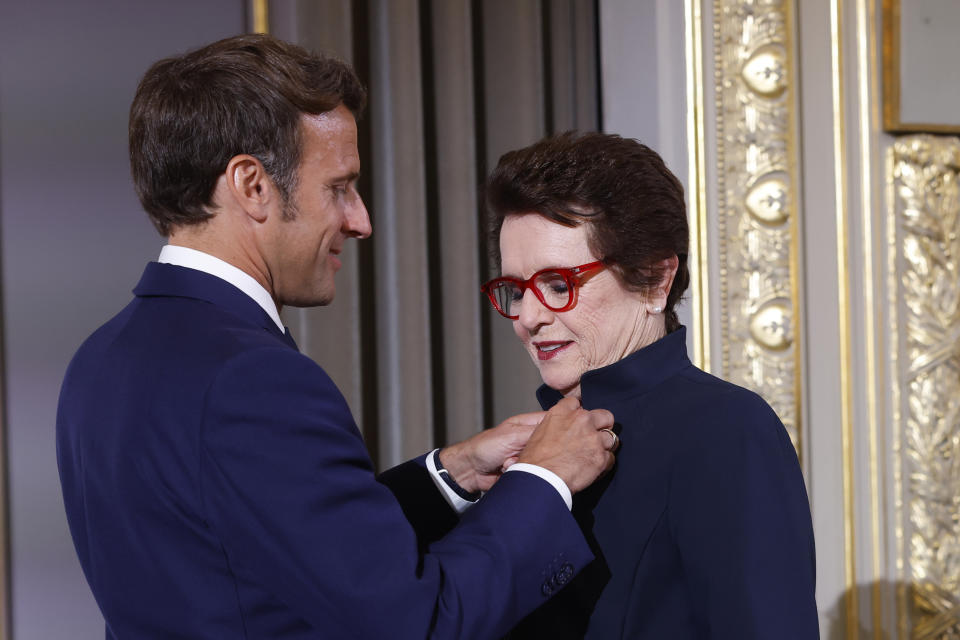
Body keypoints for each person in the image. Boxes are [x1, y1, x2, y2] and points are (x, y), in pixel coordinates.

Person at [55, 34, 619, 640]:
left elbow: (266, 545)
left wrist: (447, 475)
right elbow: (420, 623)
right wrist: (544, 479)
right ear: (251, 185)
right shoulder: (253, 380)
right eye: (338, 187)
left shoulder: (99, 360)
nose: (361, 221)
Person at [481, 132, 819, 639]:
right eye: (515, 288)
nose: (527, 317)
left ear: (655, 280)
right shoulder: (527, 445)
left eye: (558, 286)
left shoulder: (726, 430)